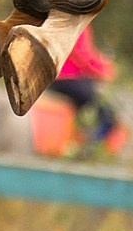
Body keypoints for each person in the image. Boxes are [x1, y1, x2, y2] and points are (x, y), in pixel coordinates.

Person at [47, 22, 121, 154]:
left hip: (56, 76)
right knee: (106, 115)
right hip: (67, 78)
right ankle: (89, 149)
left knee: (86, 108)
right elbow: (81, 55)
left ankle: (79, 139)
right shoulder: (77, 21)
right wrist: (104, 69)